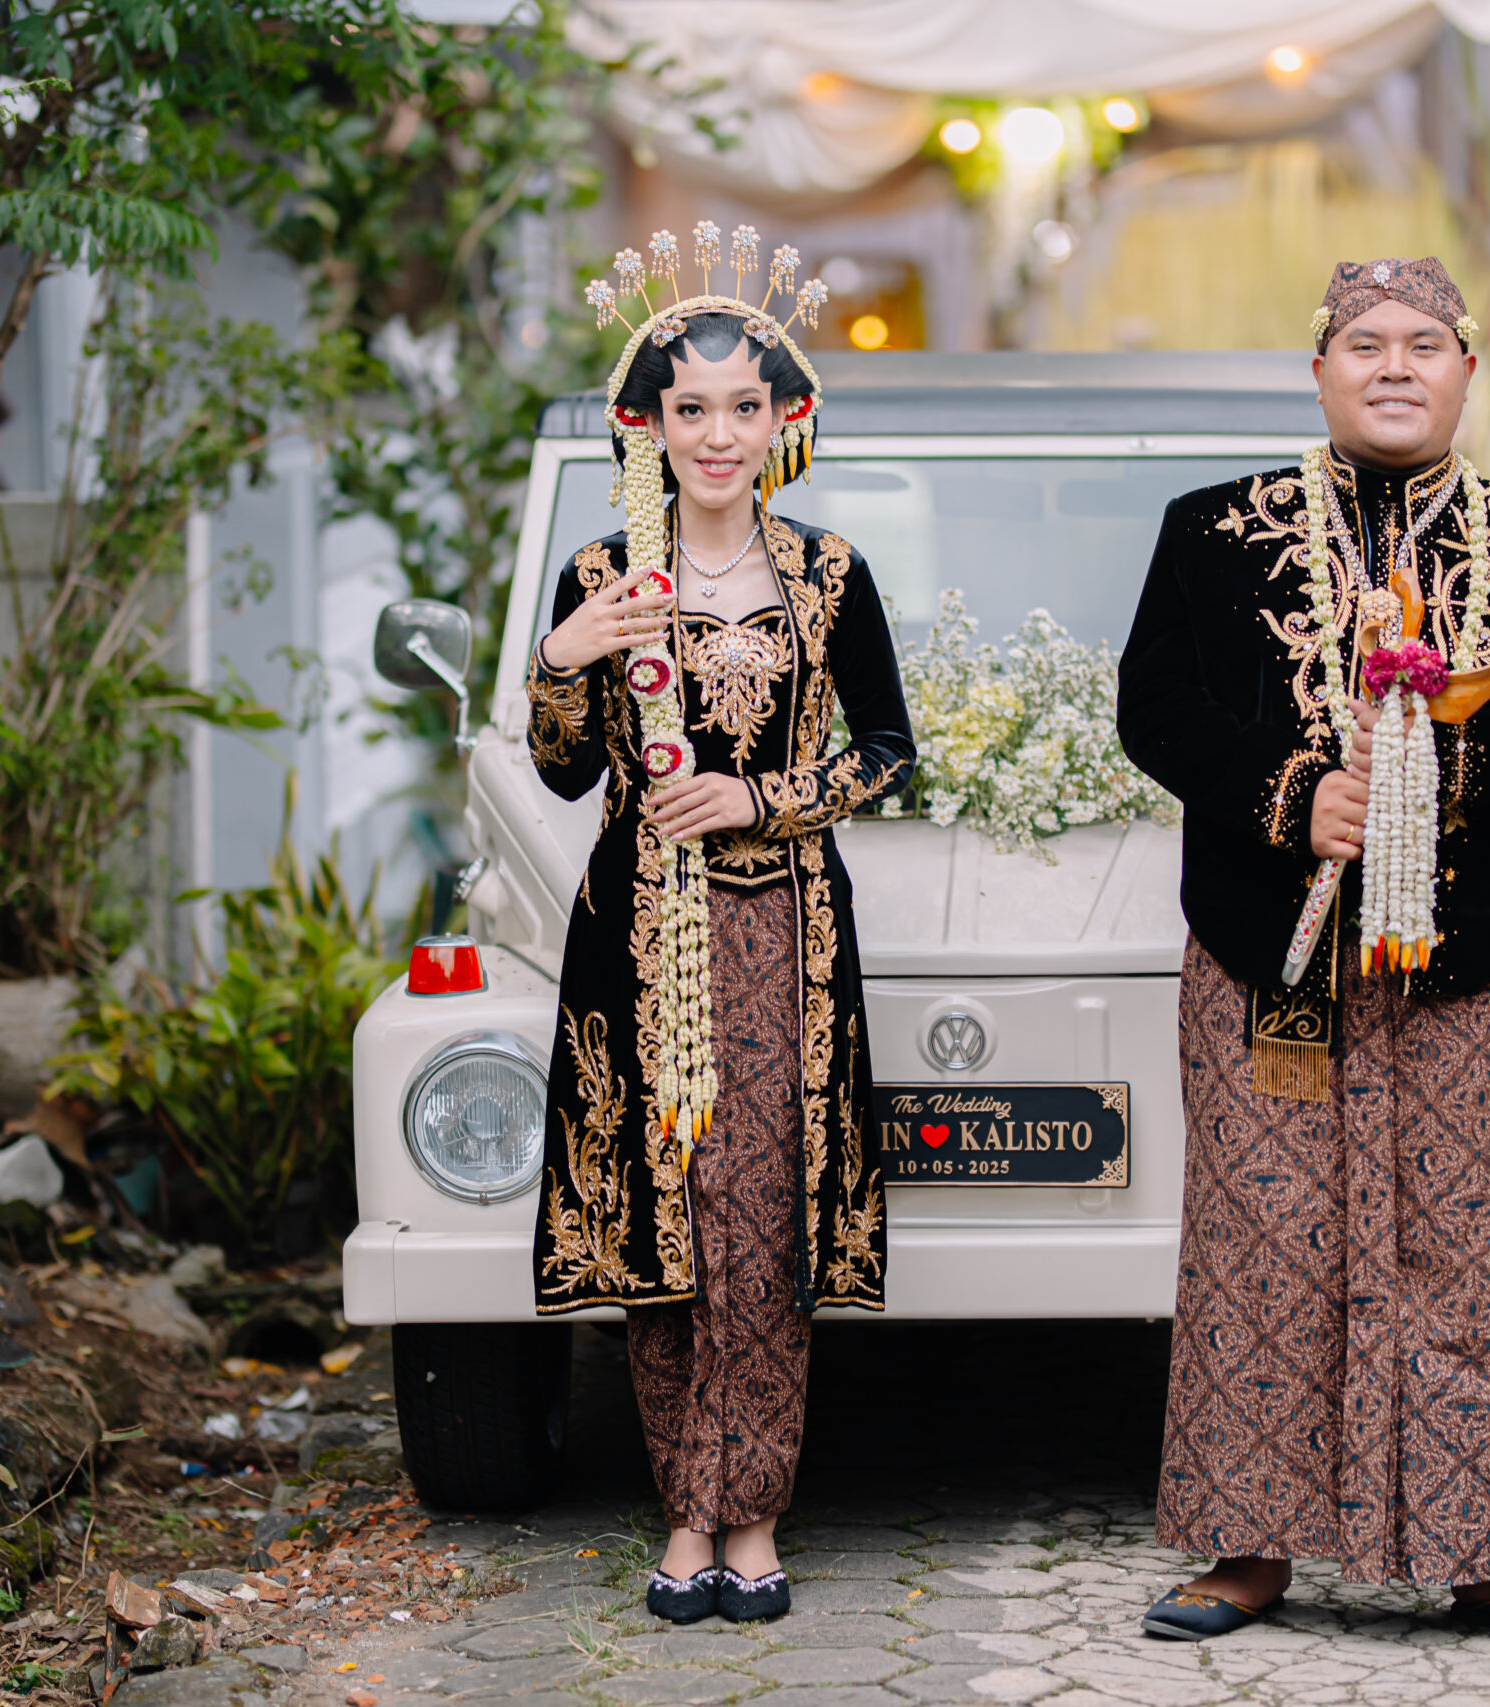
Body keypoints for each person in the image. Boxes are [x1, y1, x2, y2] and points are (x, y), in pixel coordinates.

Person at [1116, 257, 1490, 1650]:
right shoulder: (1211, 534)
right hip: (1270, 960)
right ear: (1319, 372)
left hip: (1475, 961)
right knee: (1261, 1244)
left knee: (1471, 1248)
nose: (1394, 366)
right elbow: (1155, 708)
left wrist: (1437, 766)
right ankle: (1247, 1549)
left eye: (1424, 343)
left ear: (1468, 369)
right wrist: (1293, 795)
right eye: (1365, 343)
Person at [526, 225, 915, 1628]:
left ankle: (749, 1516)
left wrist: (761, 798)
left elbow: (888, 752)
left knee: (764, 1226)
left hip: (786, 938)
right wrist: (560, 660)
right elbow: (564, 770)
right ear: (647, 424)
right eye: (689, 408)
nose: (717, 434)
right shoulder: (602, 577)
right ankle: (683, 1512)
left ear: (783, 420)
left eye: (744, 406)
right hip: (637, 941)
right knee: (666, 1229)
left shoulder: (829, 576)